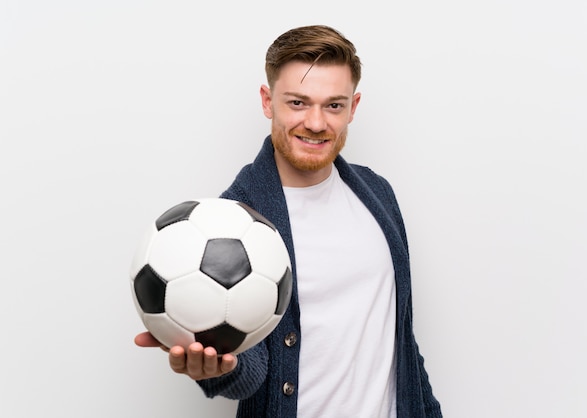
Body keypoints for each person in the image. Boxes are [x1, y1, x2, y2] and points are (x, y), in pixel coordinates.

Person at [135, 24, 443, 417]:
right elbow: (252, 369)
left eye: (334, 105)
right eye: (298, 102)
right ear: (268, 101)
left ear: (354, 106)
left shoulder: (378, 195)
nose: (316, 123)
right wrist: (219, 368)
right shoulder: (233, 224)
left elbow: (401, 342)